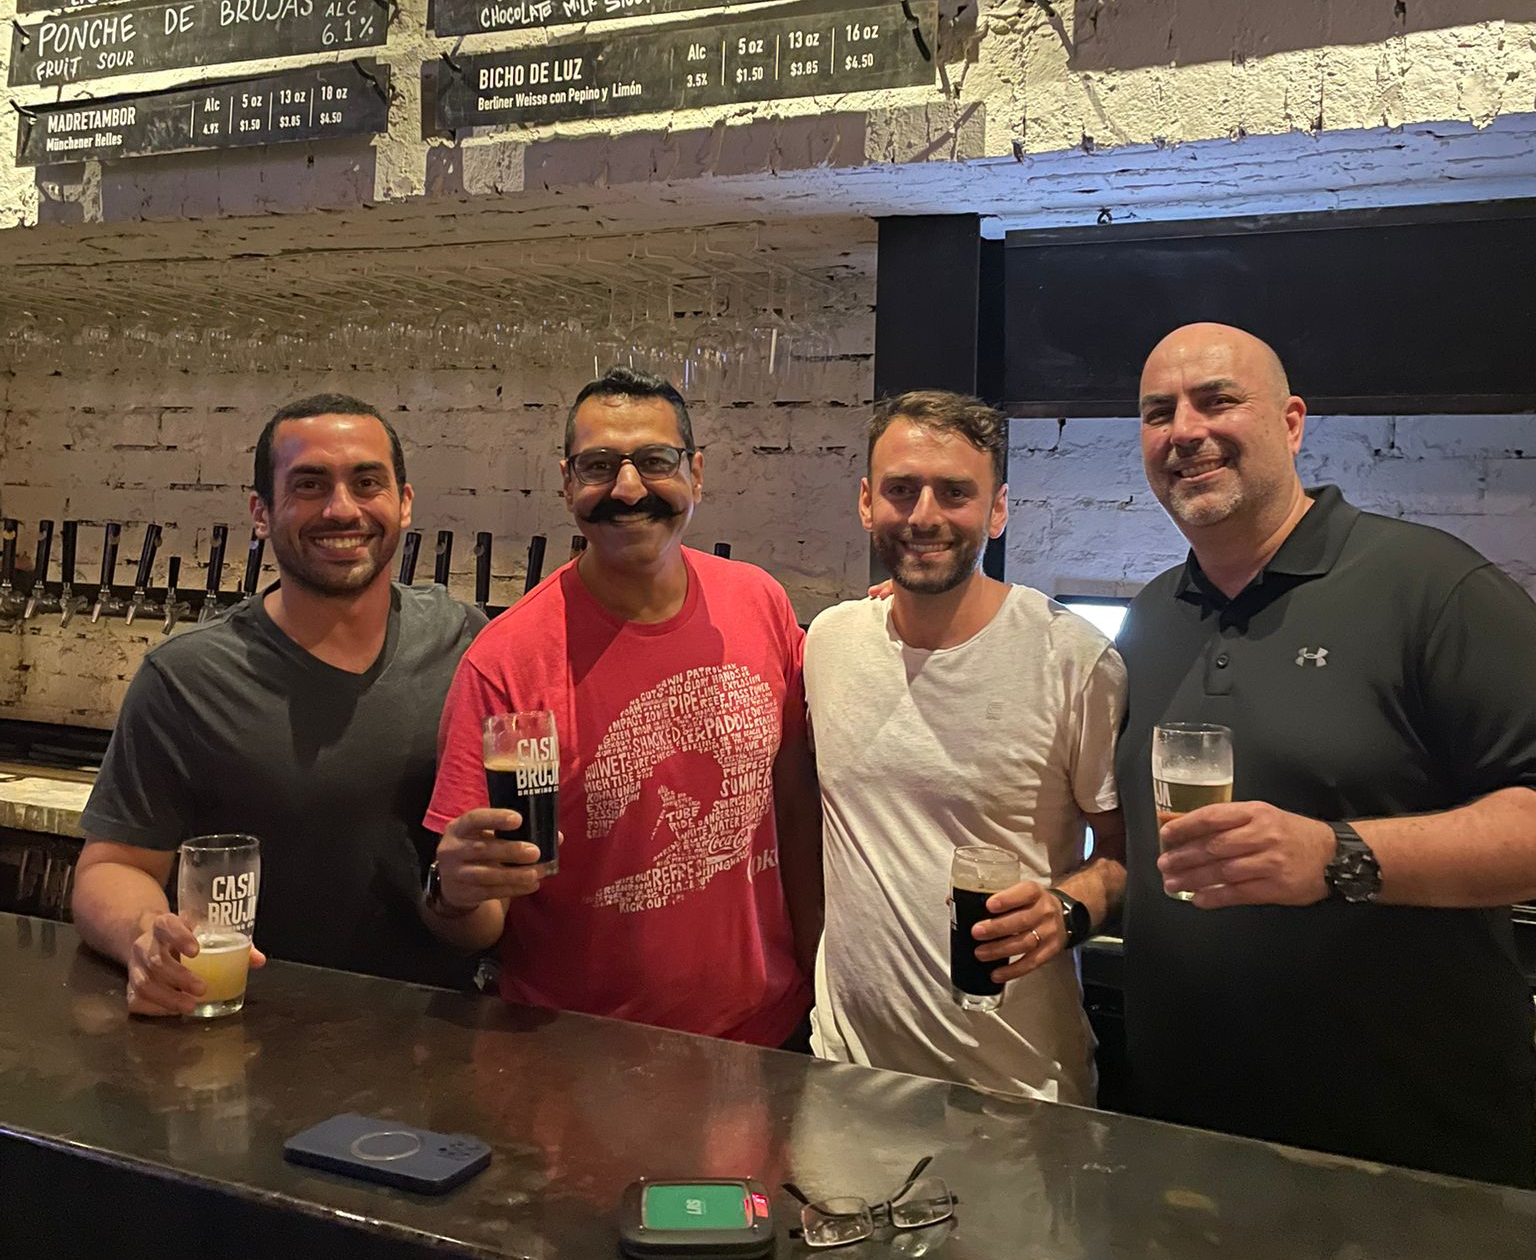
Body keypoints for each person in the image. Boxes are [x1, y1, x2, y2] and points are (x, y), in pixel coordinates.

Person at [1118, 322, 1536, 1187]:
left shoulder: (1430, 587)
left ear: (1293, 422)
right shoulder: (1152, 616)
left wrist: (1336, 855)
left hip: (1409, 1159)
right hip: (1182, 1144)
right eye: (1160, 413)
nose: (1186, 430)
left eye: (1218, 400)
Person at [425, 366, 820, 1047]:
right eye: (599, 466)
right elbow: (480, 919)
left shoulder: (759, 602)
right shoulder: (506, 663)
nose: (629, 489)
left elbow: (796, 808)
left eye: (655, 461)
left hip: (769, 1039)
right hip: (582, 1054)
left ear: (696, 473)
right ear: (567, 483)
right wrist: (452, 893)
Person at [74, 395, 486, 1012]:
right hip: (253, 1024)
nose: (341, 508)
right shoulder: (186, 677)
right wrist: (144, 936)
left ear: (403, 503)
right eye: (309, 485)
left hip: (438, 1029)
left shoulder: (465, 640)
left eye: (366, 482)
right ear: (261, 513)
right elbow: (112, 867)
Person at [804, 390, 1127, 1102]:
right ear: (866, 502)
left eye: (955, 492)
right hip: (844, 1077)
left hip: (1017, 1091)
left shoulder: (1073, 659)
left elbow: (1124, 852)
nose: (924, 516)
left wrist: (1066, 910)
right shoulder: (830, 642)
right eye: (901, 490)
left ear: (998, 508)